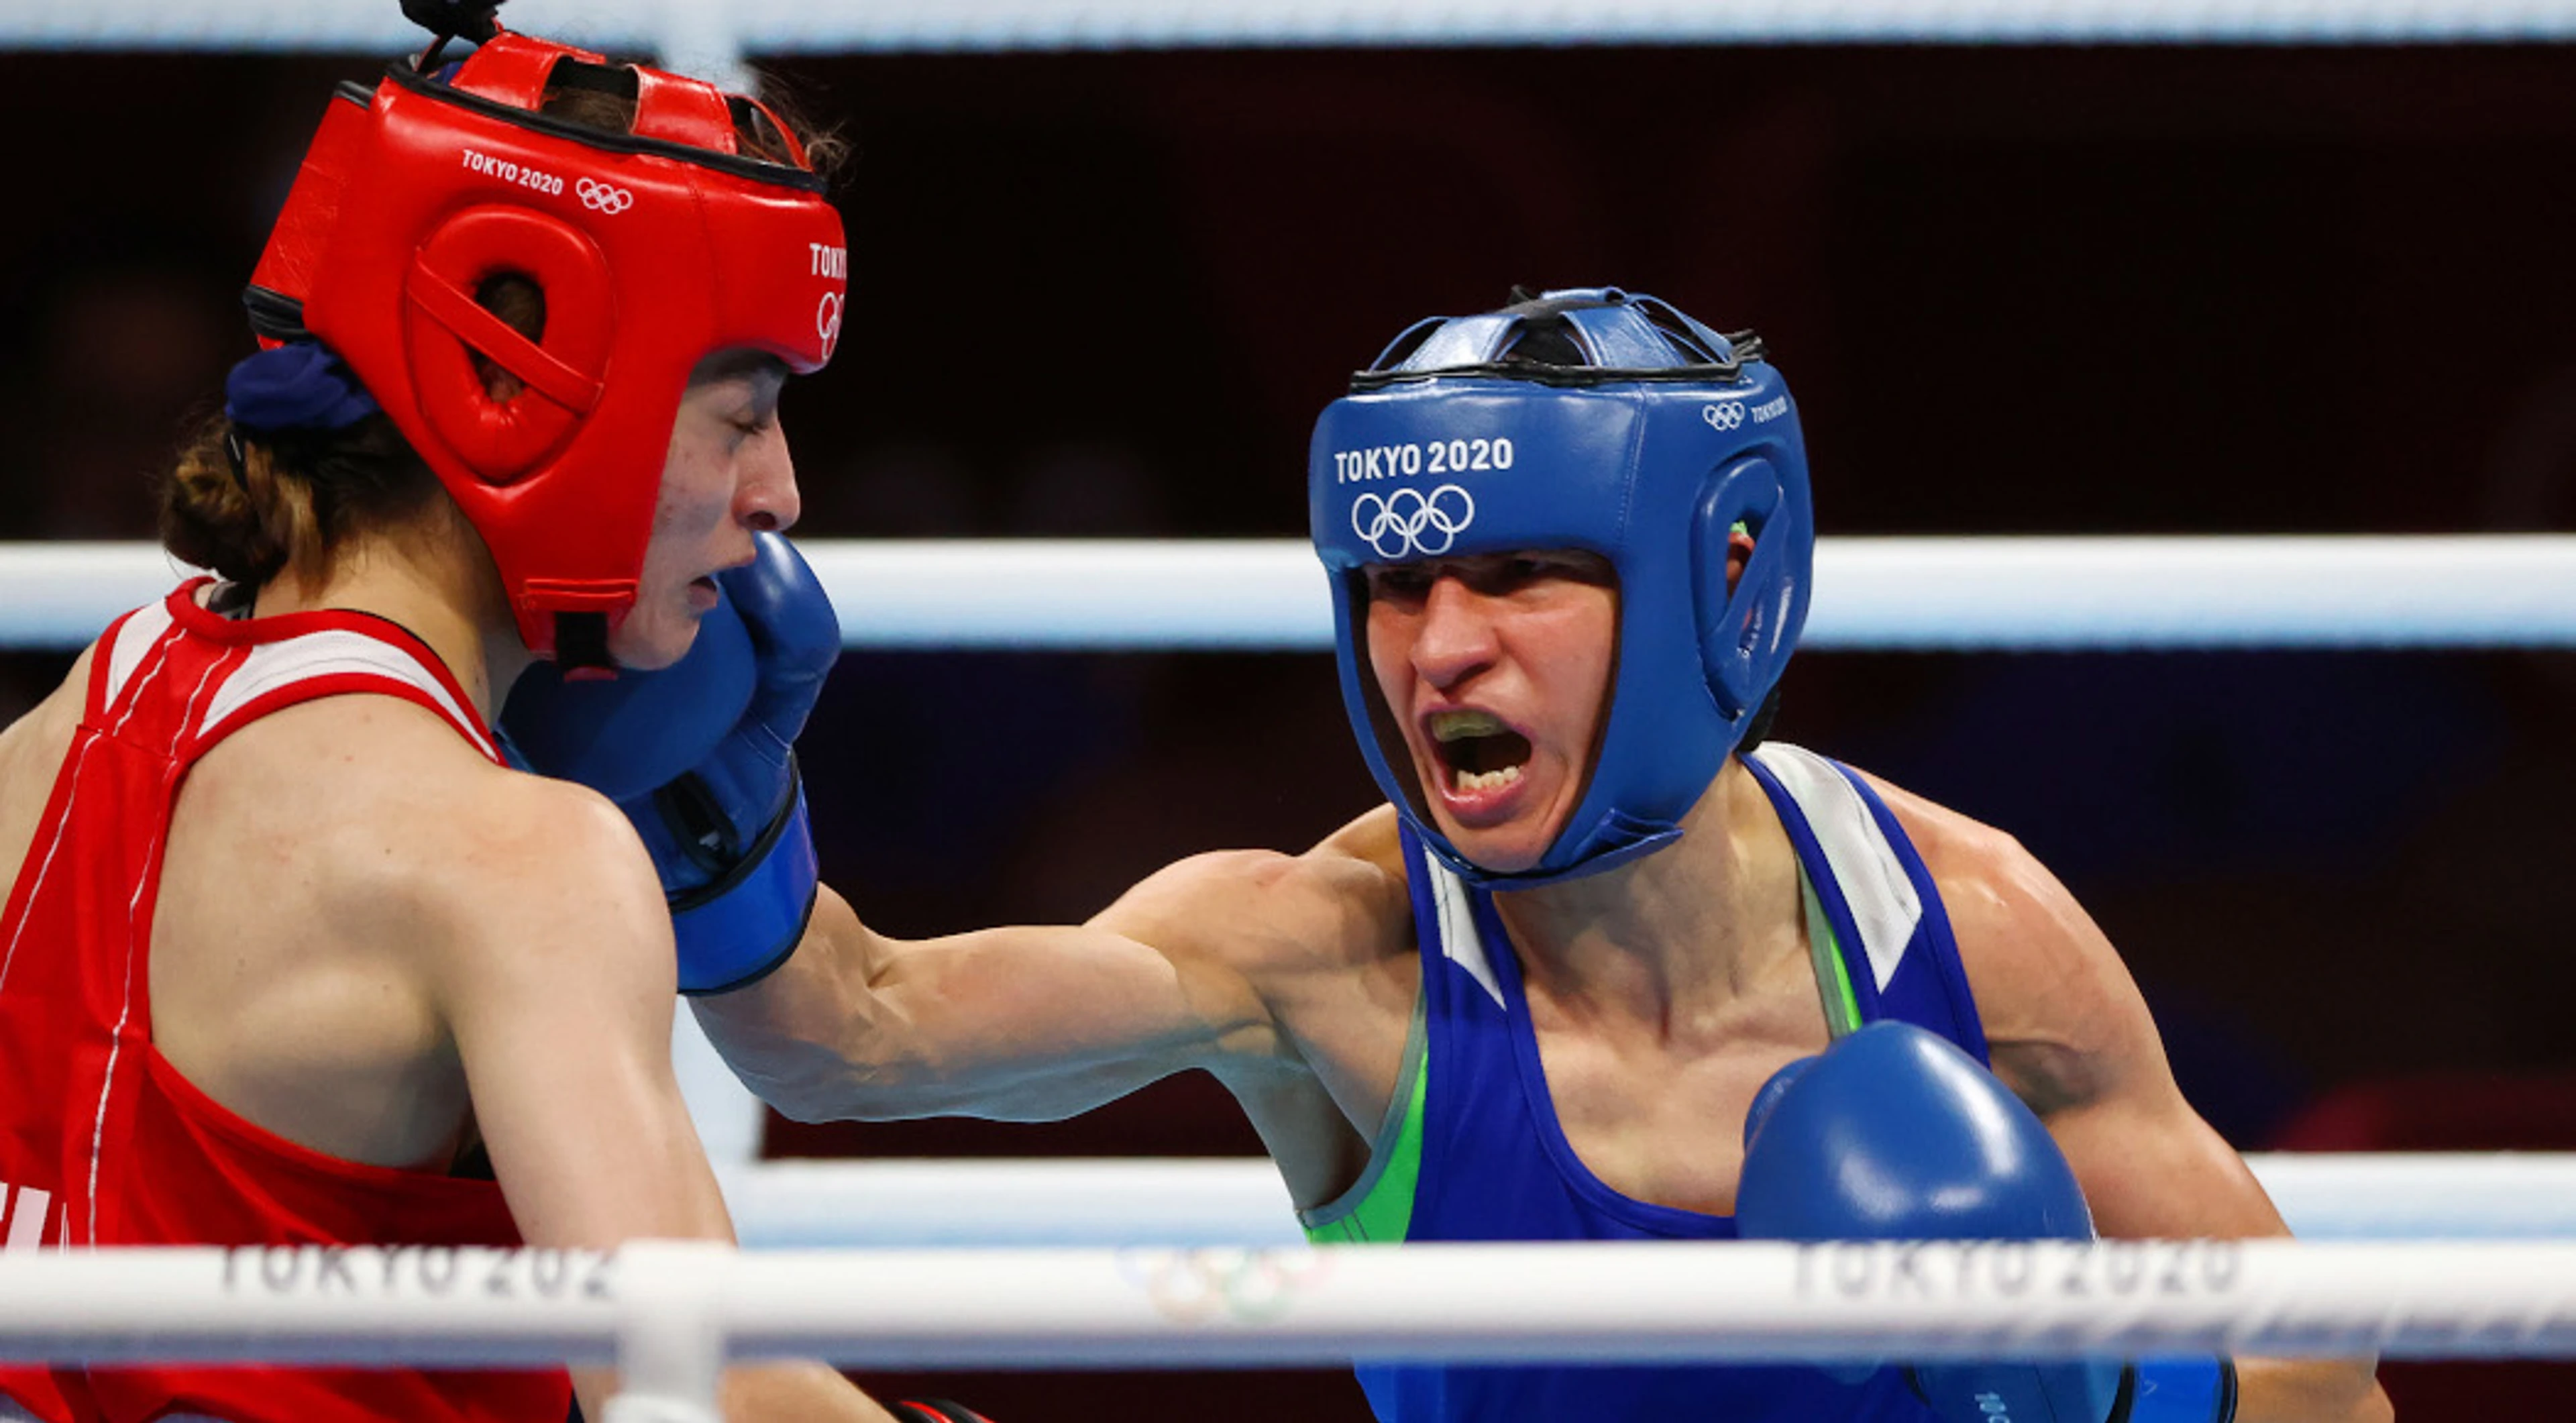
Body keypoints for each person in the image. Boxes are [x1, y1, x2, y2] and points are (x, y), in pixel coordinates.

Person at [515, 288, 2392, 1421]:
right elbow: (850, 1034)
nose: (1440, 650)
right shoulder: (1323, 958)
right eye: (1397, 585)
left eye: (1514, 576)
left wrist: (2095, 1395)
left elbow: (2334, 1389)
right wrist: (710, 810)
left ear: (1719, 583)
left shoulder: (1964, 931)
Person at [0, 6, 933, 1420]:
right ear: (515, 388)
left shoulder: (74, 715)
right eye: (741, 414)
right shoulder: (519, 863)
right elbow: (692, 1391)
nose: (781, 493)